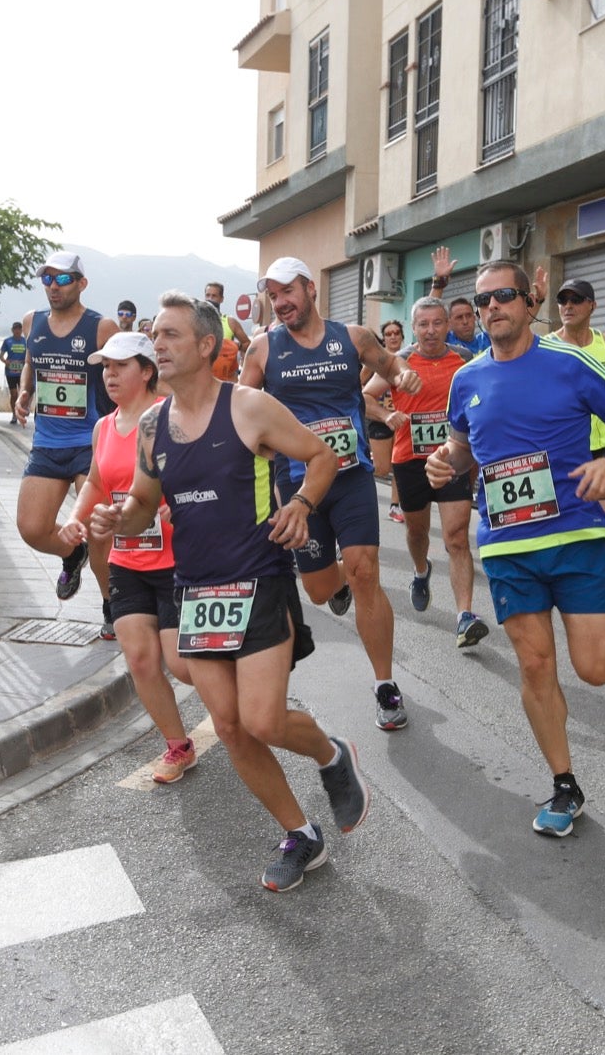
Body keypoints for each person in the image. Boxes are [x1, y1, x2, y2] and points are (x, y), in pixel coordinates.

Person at [88, 291, 369, 892]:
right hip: (196, 591)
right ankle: (301, 834)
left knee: (263, 720)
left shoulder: (249, 407)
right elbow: (142, 505)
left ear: (206, 346)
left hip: (260, 578)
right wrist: (120, 519)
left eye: (169, 335)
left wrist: (300, 503)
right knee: (232, 726)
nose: (156, 344)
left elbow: (321, 457)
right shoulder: (153, 426)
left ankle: (331, 754)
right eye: (154, 335)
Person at [426, 260, 605, 839]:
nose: (492, 307)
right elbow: (461, 448)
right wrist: (442, 463)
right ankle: (564, 783)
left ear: (530, 303)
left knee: (589, 663)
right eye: (482, 301)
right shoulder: (468, 380)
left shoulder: (569, 364)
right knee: (534, 664)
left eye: (504, 296)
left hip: (575, 538)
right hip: (506, 545)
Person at [240, 257, 422, 732]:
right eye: (272, 296)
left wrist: (402, 376)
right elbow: (240, 413)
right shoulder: (261, 350)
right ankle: (335, 582)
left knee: (366, 569)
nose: (280, 303)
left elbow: (391, 363)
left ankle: (385, 684)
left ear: (310, 289)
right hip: (297, 484)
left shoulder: (353, 338)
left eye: (287, 293)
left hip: (351, 474)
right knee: (320, 590)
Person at [57, 332, 198, 782]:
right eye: (105, 367)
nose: (110, 374)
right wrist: (77, 521)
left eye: (120, 366)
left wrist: (164, 505)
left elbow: (198, 478)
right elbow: (96, 484)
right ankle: (178, 746)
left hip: (179, 558)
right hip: (127, 558)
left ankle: (237, 707)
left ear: (146, 370)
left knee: (180, 663)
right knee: (139, 659)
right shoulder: (103, 427)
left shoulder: (171, 418)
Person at [363, 297, 487, 649]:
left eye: (437, 323)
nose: (431, 330)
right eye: (423, 324)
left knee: (457, 537)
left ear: (447, 325)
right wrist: (388, 416)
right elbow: (365, 397)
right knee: (418, 533)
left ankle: (465, 616)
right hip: (410, 461)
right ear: (413, 328)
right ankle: (421, 571)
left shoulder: (463, 359)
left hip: (452, 458)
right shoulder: (398, 362)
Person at [12, 252, 118, 636]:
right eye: (47, 280)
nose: (53, 287)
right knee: (31, 528)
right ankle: (71, 553)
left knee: (99, 533)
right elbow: (32, 363)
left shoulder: (101, 328)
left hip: (90, 446)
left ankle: (111, 606)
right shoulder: (33, 322)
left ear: (81, 283)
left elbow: (123, 371)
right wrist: (26, 391)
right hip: (48, 444)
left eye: (63, 280)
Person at [545, 278, 605, 637]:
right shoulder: (547, 345)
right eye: (563, 299)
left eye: (576, 300)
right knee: (559, 528)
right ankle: (554, 599)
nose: (568, 305)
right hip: (565, 448)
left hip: (604, 447)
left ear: (592, 306)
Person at [367, 319, 405, 524]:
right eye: (388, 334)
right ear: (384, 339)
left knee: (399, 465)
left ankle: (395, 506)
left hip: (401, 419)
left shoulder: (408, 357)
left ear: (402, 336)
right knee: (381, 468)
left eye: (396, 333)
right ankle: (354, 477)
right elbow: (358, 383)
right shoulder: (375, 360)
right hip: (380, 419)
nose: (392, 337)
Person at [427, 246, 492, 354]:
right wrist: (439, 282)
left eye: (468, 315)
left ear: (475, 317)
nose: (465, 322)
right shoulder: (446, 341)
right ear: (449, 323)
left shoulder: (487, 339)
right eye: (459, 318)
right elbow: (429, 312)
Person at [204, 281, 251, 379]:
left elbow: (248, 345)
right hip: (203, 381)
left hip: (225, 381)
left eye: (214, 296)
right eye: (207, 295)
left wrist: (236, 346)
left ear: (221, 299)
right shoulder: (197, 322)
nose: (210, 299)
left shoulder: (230, 322)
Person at [0, 322, 28, 426]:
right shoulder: (7, 341)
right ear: (12, 330)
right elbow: (1, 356)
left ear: (22, 330)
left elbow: (29, 356)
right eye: (15, 329)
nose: (17, 331)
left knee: (22, 394)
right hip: (11, 372)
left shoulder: (25, 341)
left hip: (22, 371)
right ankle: (14, 414)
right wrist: (6, 362)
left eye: (19, 329)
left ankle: (21, 411)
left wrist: (25, 363)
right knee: (14, 394)